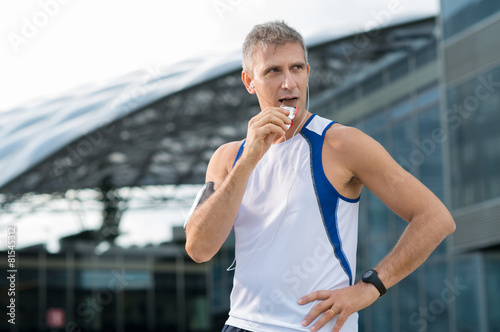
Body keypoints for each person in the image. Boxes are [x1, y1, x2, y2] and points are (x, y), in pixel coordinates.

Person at [184, 21, 455, 332]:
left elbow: (435, 218)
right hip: (243, 324)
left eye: (296, 68)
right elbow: (199, 248)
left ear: (308, 73)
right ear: (249, 81)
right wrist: (249, 160)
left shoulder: (341, 143)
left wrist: (369, 288)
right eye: (273, 71)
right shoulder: (229, 157)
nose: (289, 83)